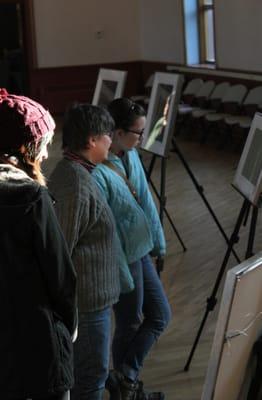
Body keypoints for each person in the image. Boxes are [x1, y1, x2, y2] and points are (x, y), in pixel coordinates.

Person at [49, 103, 133, 400]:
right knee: (91, 378)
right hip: (85, 303)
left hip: (89, 300)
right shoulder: (75, 182)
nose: (112, 140)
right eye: (108, 135)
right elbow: (60, 249)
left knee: (91, 376)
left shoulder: (77, 172)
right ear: (91, 140)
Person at [92, 98, 172, 400]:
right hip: (123, 257)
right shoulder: (99, 166)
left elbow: (146, 201)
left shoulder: (132, 154)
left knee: (160, 315)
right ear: (118, 131)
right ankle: (128, 388)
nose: (141, 139)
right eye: (137, 133)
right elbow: (106, 228)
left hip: (141, 249)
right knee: (129, 322)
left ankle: (124, 377)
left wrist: (159, 244)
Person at [0, 88, 77, 400]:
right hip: (39, 343)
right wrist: (69, 329)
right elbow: (60, 277)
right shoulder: (31, 197)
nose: (45, 154)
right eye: (41, 146)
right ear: (23, 148)